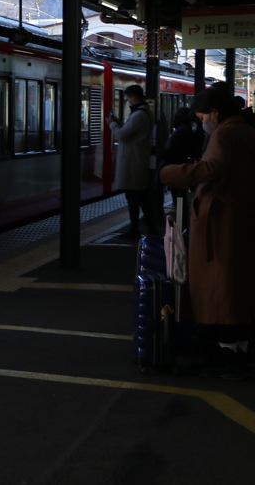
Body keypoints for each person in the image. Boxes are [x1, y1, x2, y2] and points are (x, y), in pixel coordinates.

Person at [160, 85, 255, 377]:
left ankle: (227, 358)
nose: (202, 123)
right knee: (237, 290)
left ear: (214, 113)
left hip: (222, 223)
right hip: (240, 219)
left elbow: (212, 167)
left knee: (221, 290)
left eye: (202, 117)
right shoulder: (246, 129)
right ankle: (240, 352)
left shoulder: (224, 133)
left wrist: (170, 172)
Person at [106, 84, 157, 238]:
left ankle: (136, 229)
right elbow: (130, 132)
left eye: (128, 98)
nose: (127, 101)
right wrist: (120, 123)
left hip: (133, 162)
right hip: (136, 160)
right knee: (140, 197)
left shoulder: (139, 114)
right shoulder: (143, 113)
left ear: (133, 98)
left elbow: (122, 135)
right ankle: (149, 227)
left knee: (134, 198)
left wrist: (113, 124)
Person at [158, 106, 202, 206]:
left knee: (177, 196)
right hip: (179, 165)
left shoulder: (181, 131)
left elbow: (171, 151)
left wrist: (161, 153)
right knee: (179, 196)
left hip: (175, 167)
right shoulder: (187, 130)